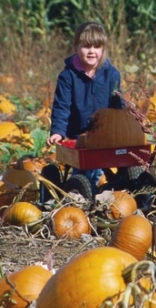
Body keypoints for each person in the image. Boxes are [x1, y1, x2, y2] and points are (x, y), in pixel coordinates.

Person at [48, 21, 123, 187]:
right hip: (78, 134)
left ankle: (121, 184)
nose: (91, 51)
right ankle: (81, 189)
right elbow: (62, 106)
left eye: (96, 47)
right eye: (86, 46)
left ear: (103, 49)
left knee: (123, 159)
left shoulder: (111, 74)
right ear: (76, 47)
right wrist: (58, 131)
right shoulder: (68, 76)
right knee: (87, 166)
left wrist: (125, 126)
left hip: (106, 133)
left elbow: (118, 104)